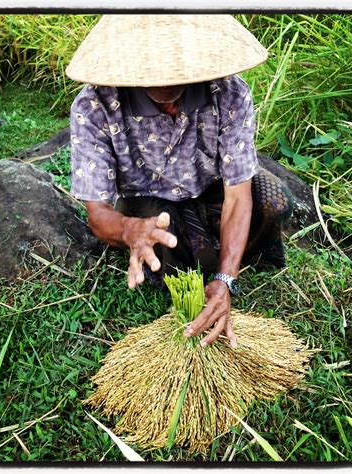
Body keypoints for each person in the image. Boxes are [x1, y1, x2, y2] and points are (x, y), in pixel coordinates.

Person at [66, 14, 293, 349]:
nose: (167, 82)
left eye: (175, 68)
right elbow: (98, 214)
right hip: (148, 203)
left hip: (210, 190)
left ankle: (226, 264)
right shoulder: (94, 106)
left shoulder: (229, 93)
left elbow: (238, 196)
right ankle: (193, 250)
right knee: (167, 241)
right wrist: (130, 230)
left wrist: (225, 278)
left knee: (273, 202)